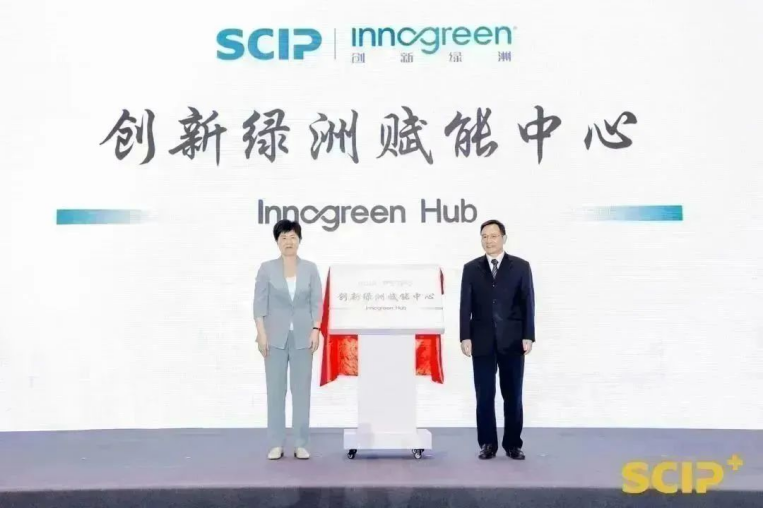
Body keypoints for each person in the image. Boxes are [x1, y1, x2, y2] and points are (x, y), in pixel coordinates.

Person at [459, 219, 535, 460]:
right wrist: (465, 336)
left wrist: (528, 335)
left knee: (513, 395)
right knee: (484, 395)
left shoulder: (521, 267)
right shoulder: (471, 268)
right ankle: (487, 444)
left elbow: (528, 302)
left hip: (512, 340)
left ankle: (513, 444)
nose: (488, 241)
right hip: (481, 341)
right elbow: (465, 306)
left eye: (493, 236)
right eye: (484, 236)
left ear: (504, 238)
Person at [253, 219, 323, 460]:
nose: (288, 242)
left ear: (299, 240)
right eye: (283, 237)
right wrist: (261, 334)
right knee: (275, 391)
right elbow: (259, 304)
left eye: (293, 237)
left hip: (303, 337)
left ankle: (301, 443)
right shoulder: (266, 269)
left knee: (301, 391)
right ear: (277, 242)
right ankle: (276, 443)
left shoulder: (310, 269)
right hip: (274, 338)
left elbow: (317, 302)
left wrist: (316, 329)